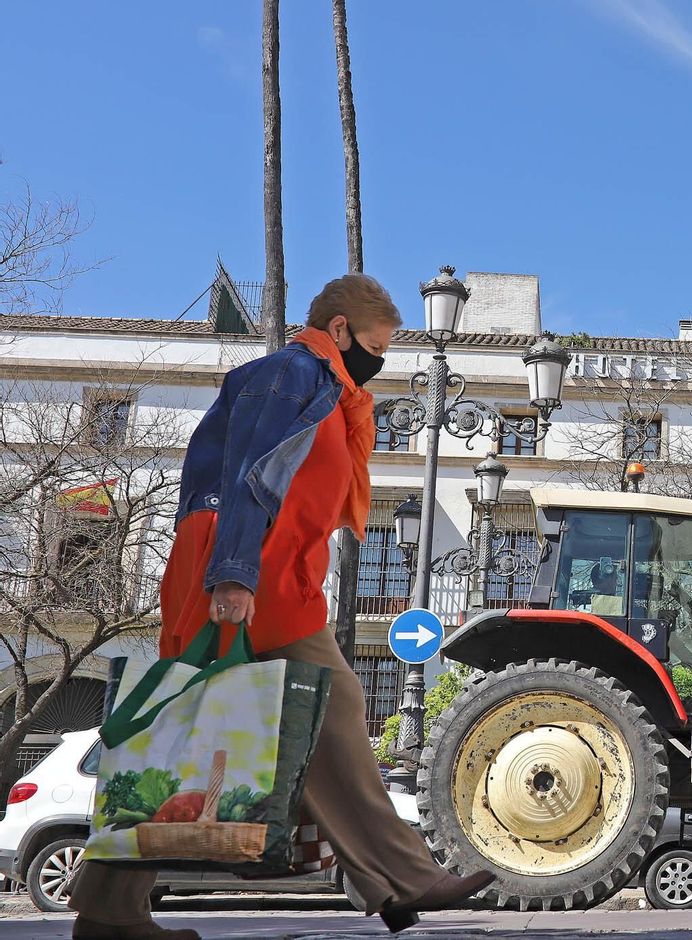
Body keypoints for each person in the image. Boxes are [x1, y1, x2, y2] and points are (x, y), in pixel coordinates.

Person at [70, 276, 493, 940]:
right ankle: (403, 878)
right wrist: (233, 573)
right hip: (247, 566)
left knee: (187, 726)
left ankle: (109, 912)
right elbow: (249, 473)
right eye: (376, 346)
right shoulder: (289, 373)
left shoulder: (328, 390)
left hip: (269, 570)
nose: (379, 362)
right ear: (341, 328)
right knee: (331, 702)